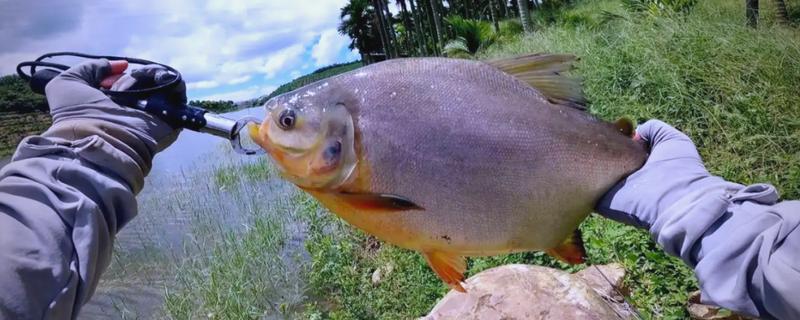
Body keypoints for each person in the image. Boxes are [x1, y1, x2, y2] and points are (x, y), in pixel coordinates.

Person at [0, 59, 796, 319]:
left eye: (288, 120)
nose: (274, 131)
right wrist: (704, 208)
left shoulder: (350, 168)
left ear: (343, 139)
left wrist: (95, 142)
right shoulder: (345, 150)